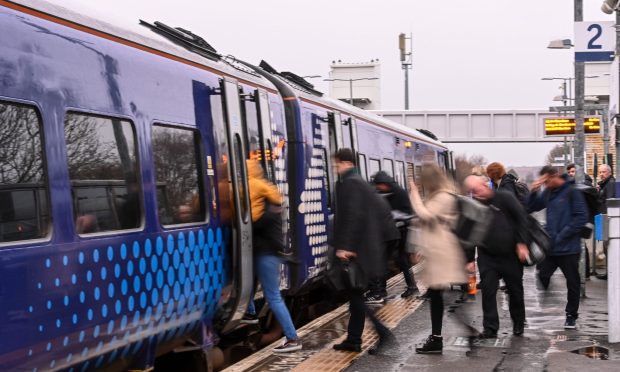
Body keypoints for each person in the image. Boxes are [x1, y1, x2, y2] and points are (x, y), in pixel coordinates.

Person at [331, 149, 394, 355]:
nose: (335, 167)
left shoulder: (351, 183)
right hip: (364, 249)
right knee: (355, 297)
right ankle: (354, 339)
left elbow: (353, 216)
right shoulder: (359, 182)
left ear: (345, 163)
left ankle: (381, 333)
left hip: (358, 251)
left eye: (336, 164)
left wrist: (346, 246)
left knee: (357, 298)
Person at [243, 159, 301, 353]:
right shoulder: (270, 203)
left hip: (266, 255)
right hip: (264, 254)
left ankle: (292, 339)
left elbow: (252, 224)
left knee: (273, 297)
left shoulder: (265, 210)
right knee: (249, 284)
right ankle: (250, 312)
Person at [409, 164, 467, 354]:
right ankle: (442, 336)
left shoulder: (443, 197)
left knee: (437, 295)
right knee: (437, 295)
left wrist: (414, 194)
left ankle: (438, 339)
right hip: (438, 250)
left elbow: (425, 215)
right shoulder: (441, 195)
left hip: (441, 252)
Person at [463, 175, 530, 338]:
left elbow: (521, 218)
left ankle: (518, 322)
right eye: (472, 191)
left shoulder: (505, 198)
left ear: (485, 185)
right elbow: (468, 232)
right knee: (488, 291)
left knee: (515, 290)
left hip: (510, 255)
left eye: (477, 189)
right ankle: (490, 327)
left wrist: (522, 243)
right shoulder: (473, 205)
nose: (476, 194)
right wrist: (469, 259)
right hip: (487, 256)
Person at [527, 165, 588, 329]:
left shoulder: (572, 191)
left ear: (555, 176)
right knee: (542, 274)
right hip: (552, 247)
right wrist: (533, 191)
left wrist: (562, 235)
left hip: (569, 248)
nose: (545, 184)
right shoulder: (548, 192)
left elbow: (581, 217)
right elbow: (530, 207)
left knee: (573, 282)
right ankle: (549, 299)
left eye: (547, 181)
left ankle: (571, 316)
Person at [365, 171, 417, 303]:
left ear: (384, 184)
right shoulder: (386, 192)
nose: (378, 188)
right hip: (393, 231)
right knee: (390, 261)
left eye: (379, 186)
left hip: (403, 231)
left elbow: (408, 214)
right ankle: (382, 289)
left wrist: (394, 216)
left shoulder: (400, 193)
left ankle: (411, 286)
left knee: (402, 260)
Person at [596, 163, 616, 280]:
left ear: (609, 172)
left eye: (603, 172)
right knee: (604, 246)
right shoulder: (604, 185)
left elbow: (609, 203)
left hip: (605, 218)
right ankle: (609, 272)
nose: (601, 174)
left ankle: (611, 273)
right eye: (600, 172)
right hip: (601, 218)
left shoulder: (611, 184)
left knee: (608, 246)